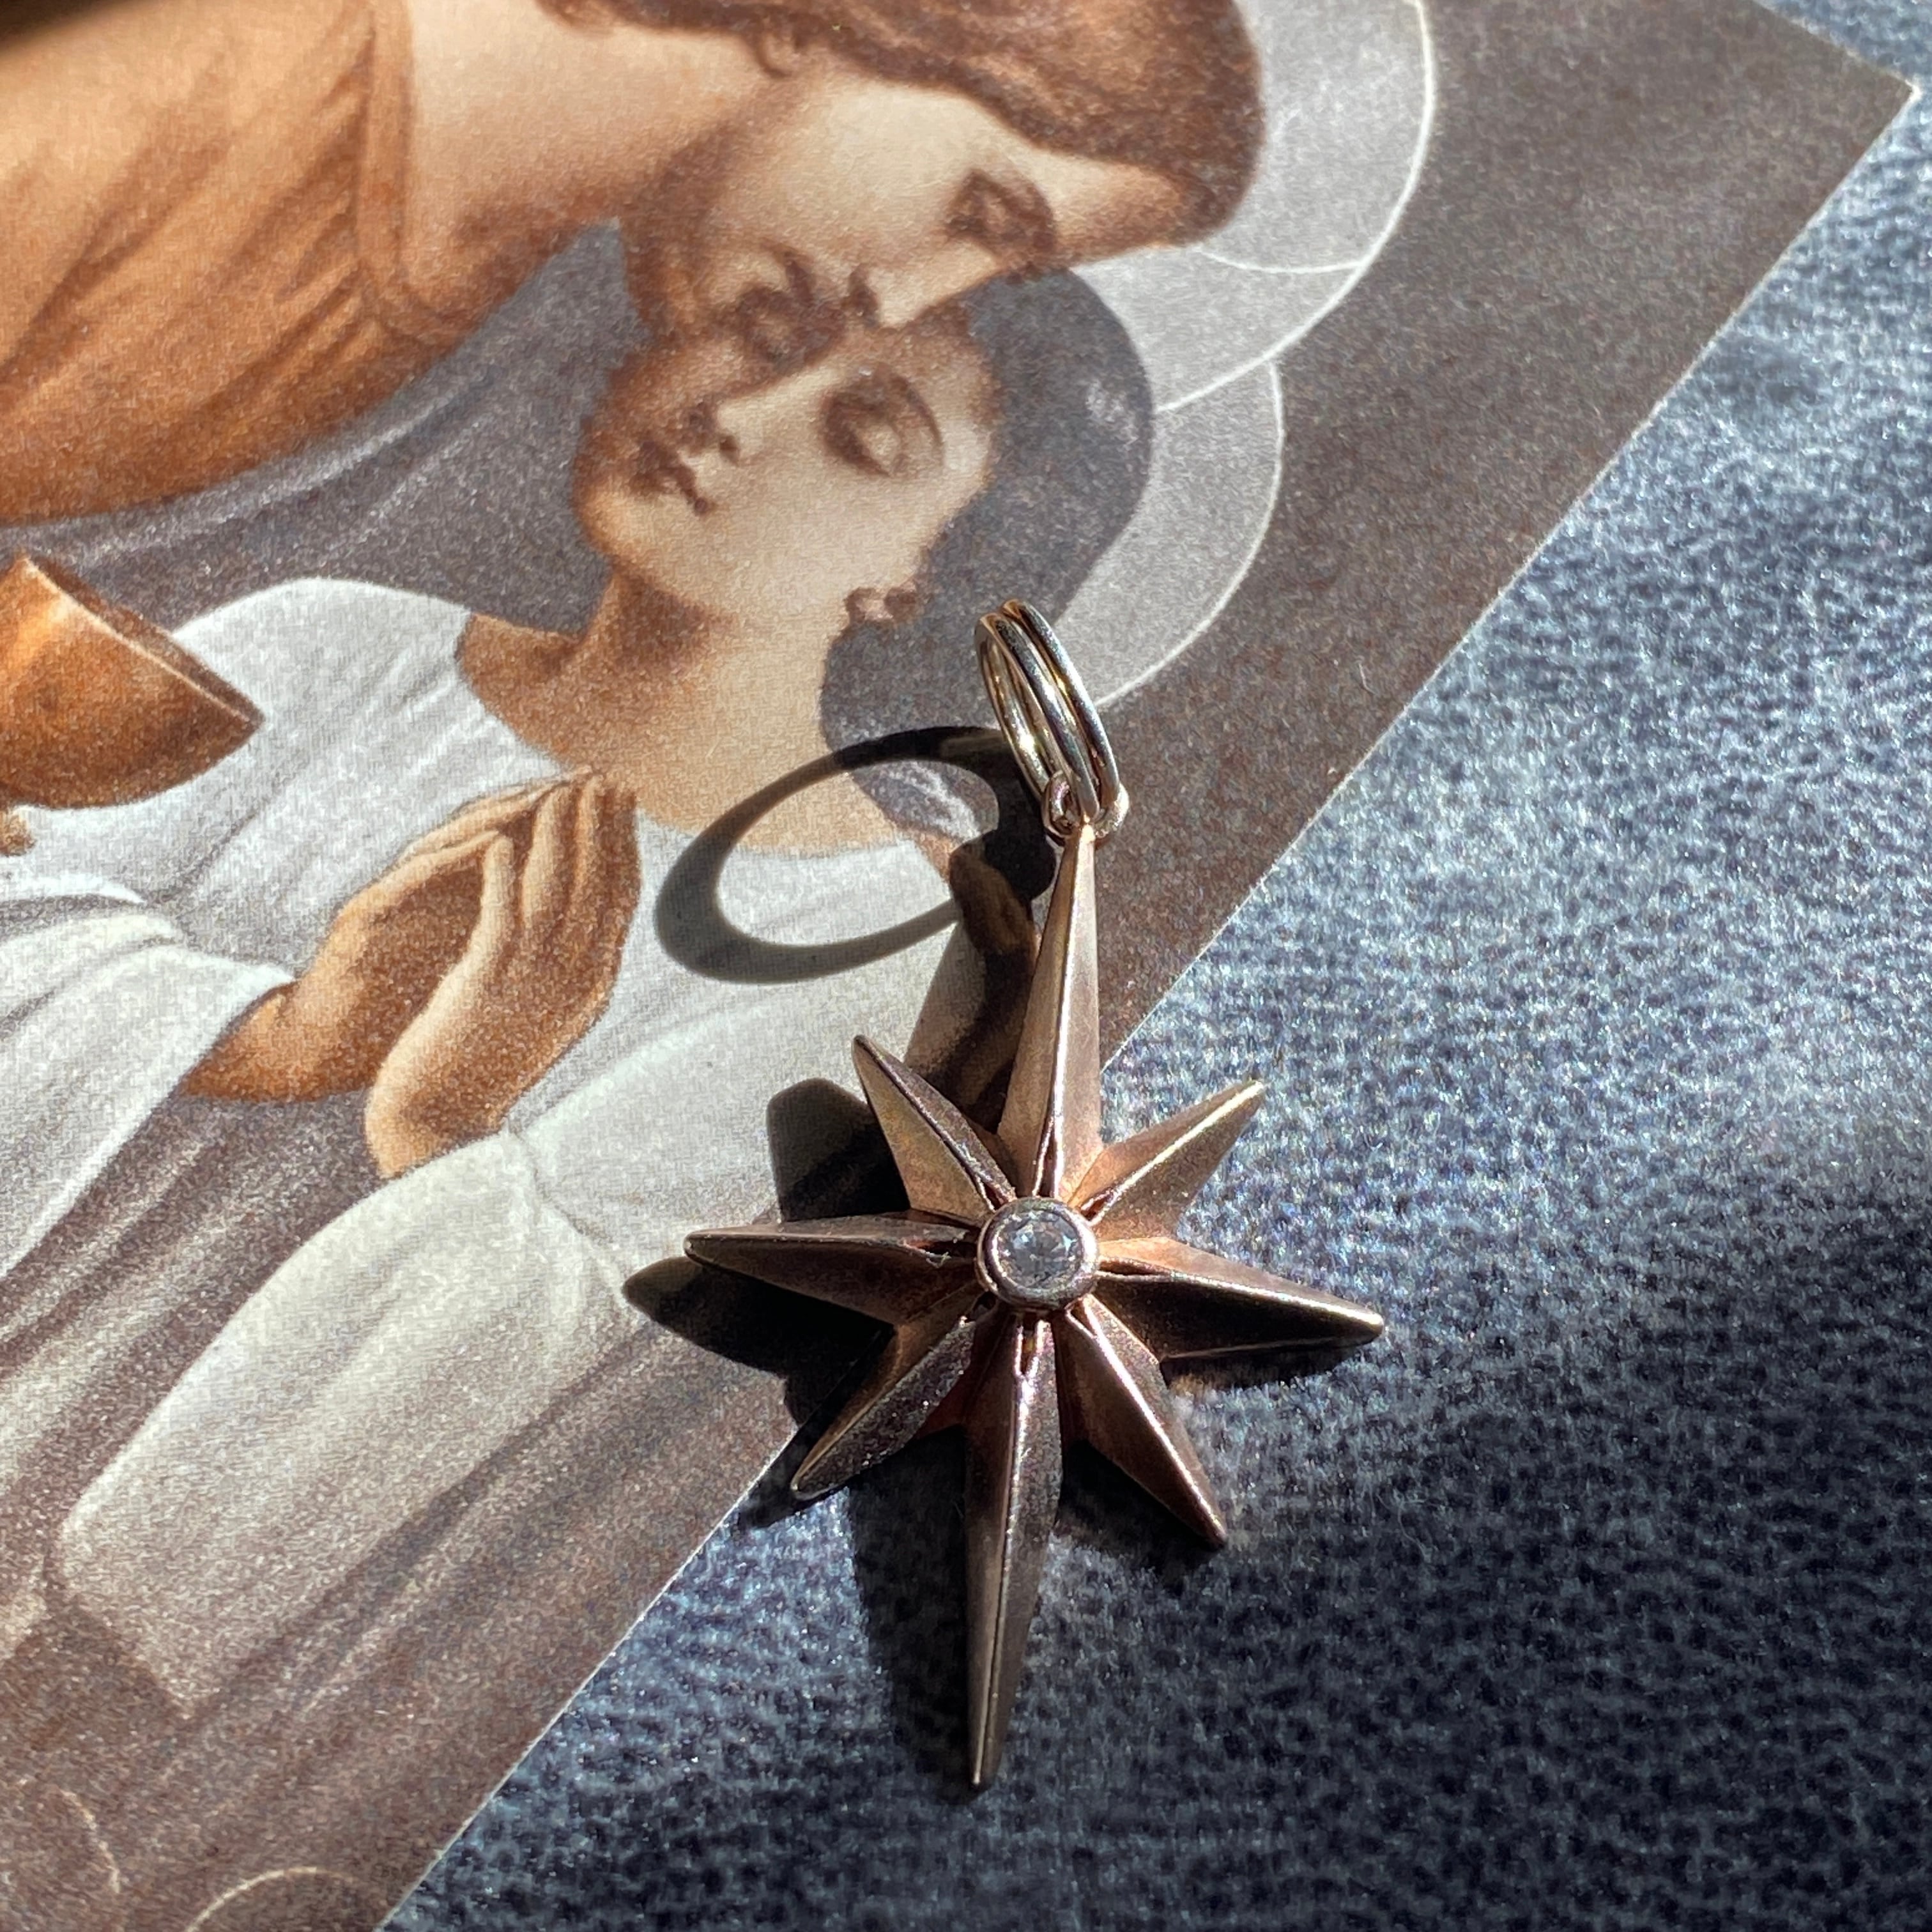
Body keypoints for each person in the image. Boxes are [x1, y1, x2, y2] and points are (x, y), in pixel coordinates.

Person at [0, 272, 1154, 1923]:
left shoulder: (867, 937)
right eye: (767, 337)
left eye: (861, 427)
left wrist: (441, 1128)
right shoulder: (330, 643)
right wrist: (275, 1037)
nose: (734, 412)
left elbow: (573, 1363)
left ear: (914, 575)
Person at [0, 0, 1259, 522]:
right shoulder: (221, 61)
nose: (893, 304)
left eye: (996, 276)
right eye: (983, 213)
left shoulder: (490, 278)